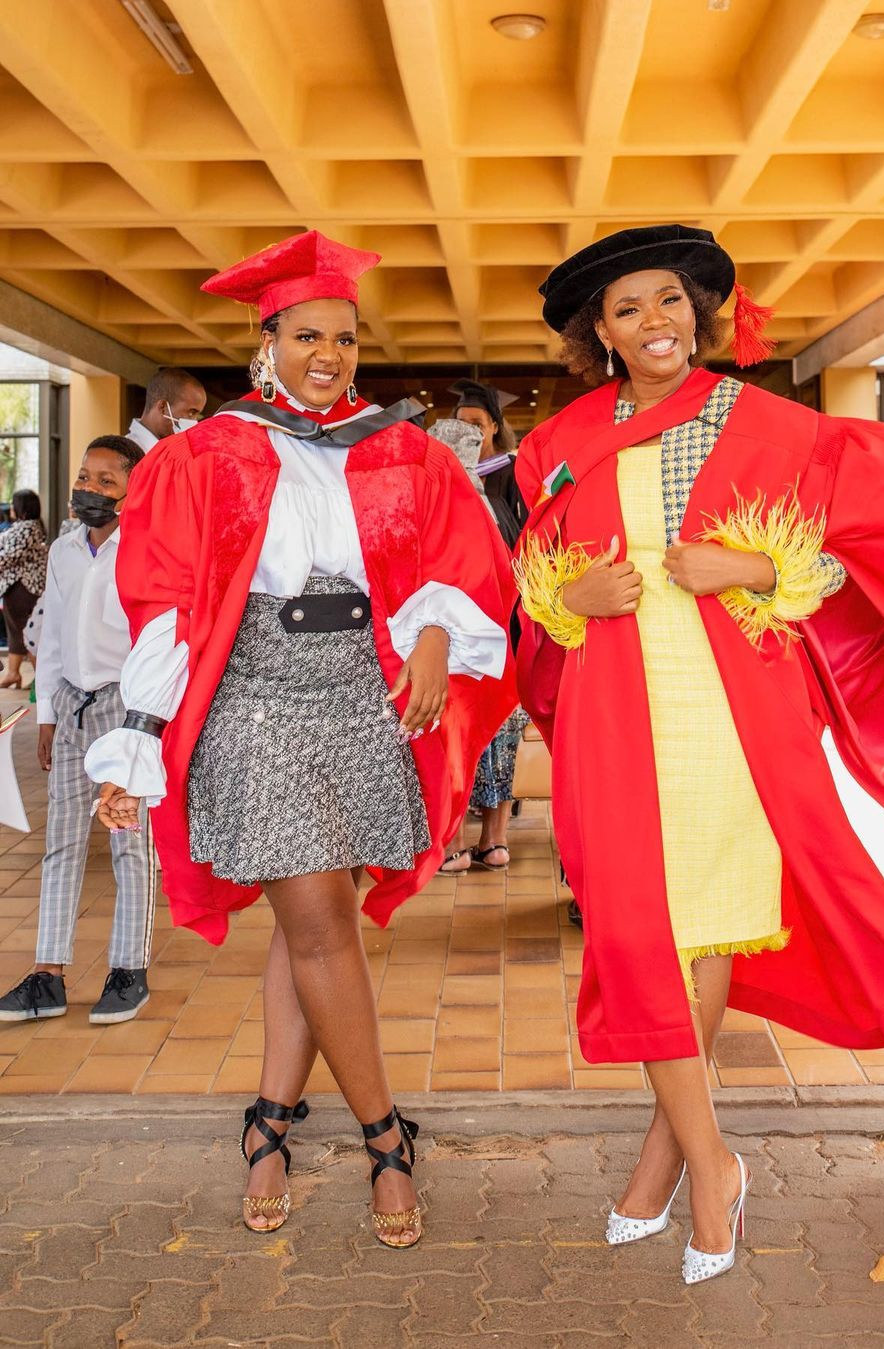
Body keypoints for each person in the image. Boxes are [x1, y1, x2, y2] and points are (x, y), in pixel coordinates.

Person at [513, 225, 884, 1286]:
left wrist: (743, 560)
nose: (655, 323)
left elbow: (866, 552)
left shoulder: (774, 425)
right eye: (627, 310)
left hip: (732, 708)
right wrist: (568, 597)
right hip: (616, 705)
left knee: (699, 929)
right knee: (640, 924)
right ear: (596, 333)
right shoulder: (555, 445)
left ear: (696, 308)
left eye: (668, 300)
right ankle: (707, 1155)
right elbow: (533, 581)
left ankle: (683, 1168)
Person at [84, 231, 516, 1246]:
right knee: (321, 917)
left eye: (346, 338)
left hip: (369, 692)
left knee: (311, 917)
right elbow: (166, 603)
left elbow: (463, 558)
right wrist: (138, 739)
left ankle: (269, 1124)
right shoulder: (207, 451)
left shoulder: (401, 446)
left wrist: (437, 639)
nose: (330, 354)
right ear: (265, 339)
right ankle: (383, 1137)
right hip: (258, 696)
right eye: (308, 334)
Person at [0, 437, 156, 1027]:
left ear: (132, 490)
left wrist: (146, 728)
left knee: (128, 839)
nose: (88, 489)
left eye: (105, 481)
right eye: (84, 477)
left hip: (126, 704)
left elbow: (155, 639)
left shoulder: (144, 547)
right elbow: (57, 634)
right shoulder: (64, 550)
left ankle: (128, 970)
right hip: (70, 704)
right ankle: (48, 973)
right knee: (61, 840)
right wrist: (45, 713)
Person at [433, 394, 529, 875]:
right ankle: (455, 842)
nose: (468, 436)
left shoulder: (506, 481)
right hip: (449, 643)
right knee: (455, 744)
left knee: (496, 737)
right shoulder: (441, 486)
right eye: (459, 427)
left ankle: (493, 841)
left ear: (493, 429)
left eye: (475, 426)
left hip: (496, 636)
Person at [450, 380, 528, 548]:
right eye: (461, 423)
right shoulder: (449, 471)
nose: (468, 432)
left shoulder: (513, 468)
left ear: (494, 427)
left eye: (477, 424)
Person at [0, 489, 48, 688]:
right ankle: (13, 673)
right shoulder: (28, 527)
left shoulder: (27, 528)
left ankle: (41, 679)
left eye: (14, 503)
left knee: (29, 633)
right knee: (17, 631)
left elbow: (9, 556)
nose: (11, 507)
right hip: (18, 588)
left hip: (23, 588)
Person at [125, 368, 207, 453]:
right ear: (163, 407)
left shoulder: (177, 451)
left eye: (197, 415)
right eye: (191, 413)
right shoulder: (127, 454)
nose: (194, 422)